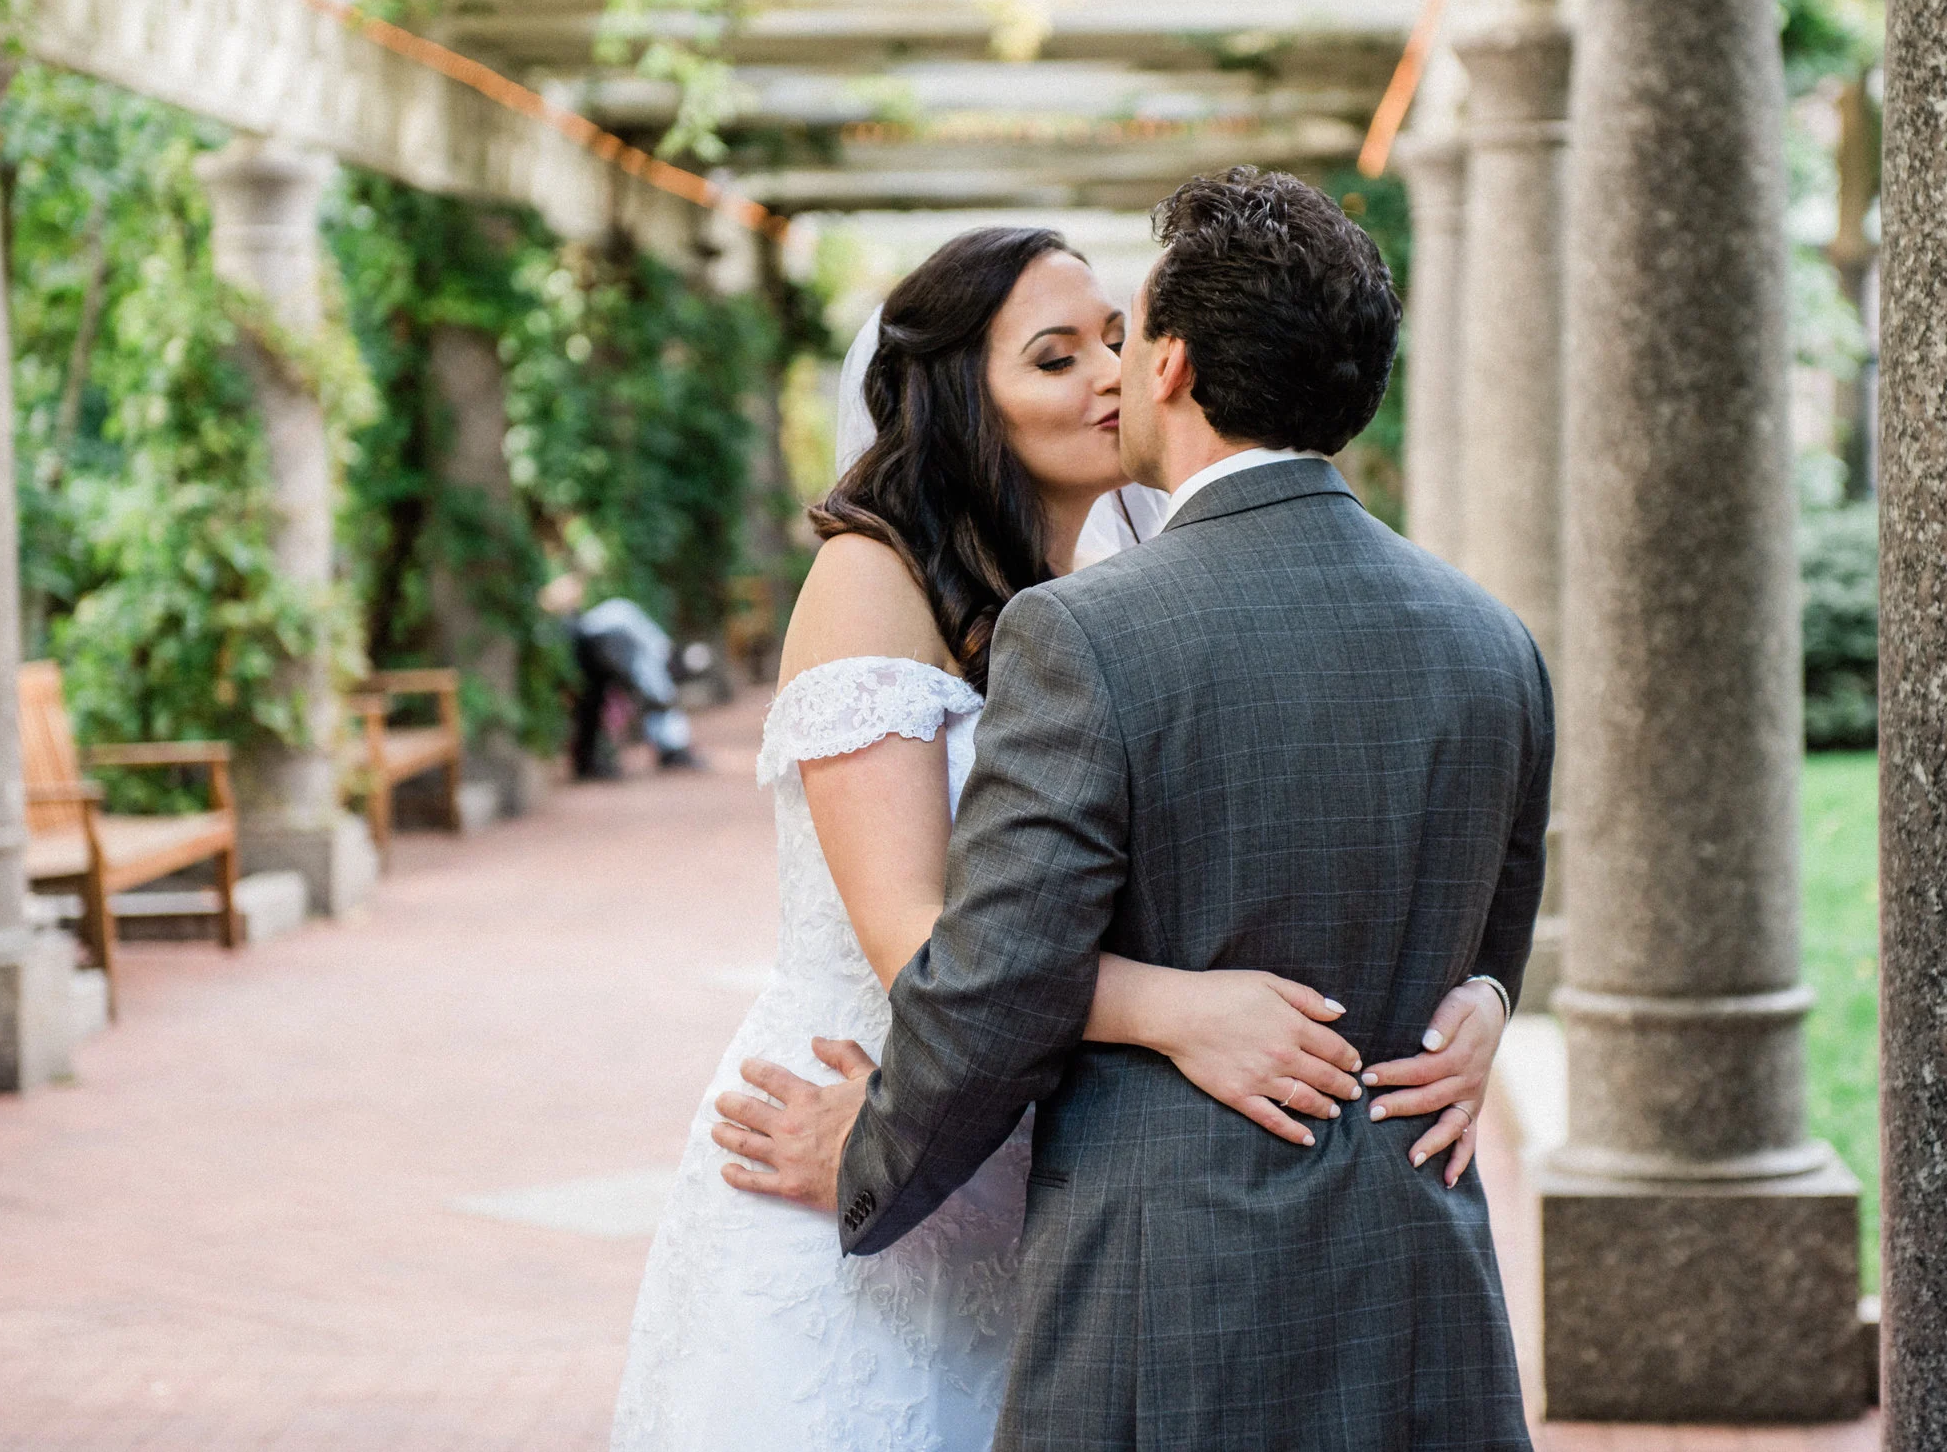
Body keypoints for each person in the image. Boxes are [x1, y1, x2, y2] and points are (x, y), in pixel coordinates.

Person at [612, 219, 1500, 1451]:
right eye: (1051, 356)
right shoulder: (871, 581)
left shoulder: (1109, 599)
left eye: (1115, 341)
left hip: (1035, 1158)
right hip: (861, 1126)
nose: (1104, 376)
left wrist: (1483, 992)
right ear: (957, 400)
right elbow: (917, 938)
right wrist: (1181, 1009)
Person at [540, 575, 700, 777]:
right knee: (599, 711)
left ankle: (671, 750)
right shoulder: (612, 618)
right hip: (605, 669)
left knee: (648, 702)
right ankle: (592, 762)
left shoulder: (613, 617)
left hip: (611, 667)